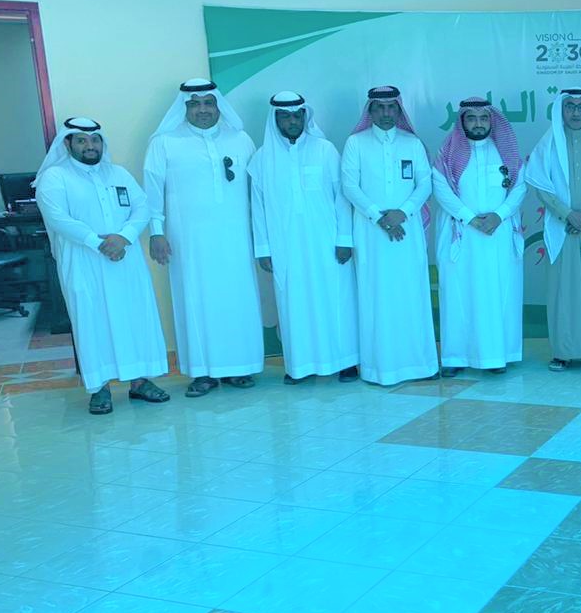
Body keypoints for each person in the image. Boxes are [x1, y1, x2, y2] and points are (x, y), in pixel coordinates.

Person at [34, 118, 169, 415]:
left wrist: (124, 237)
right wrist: (99, 243)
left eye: (94, 140)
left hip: (125, 258)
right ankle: (100, 388)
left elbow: (142, 207)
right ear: (68, 143)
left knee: (134, 316)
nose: (90, 146)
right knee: (91, 320)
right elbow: (58, 218)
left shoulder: (118, 173)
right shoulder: (55, 177)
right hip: (83, 261)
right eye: (81, 140)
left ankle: (140, 382)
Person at [143, 78, 264, 396]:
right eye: (194, 104)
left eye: (208, 103)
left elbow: (257, 193)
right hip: (188, 242)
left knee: (237, 299)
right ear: (183, 108)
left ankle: (240, 367)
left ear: (218, 105)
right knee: (194, 301)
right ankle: (202, 373)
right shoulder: (164, 143)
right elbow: (152, 194)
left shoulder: (240, 139)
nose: (202, 110)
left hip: (236, 239)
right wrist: (156, 233)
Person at [249, 92, 359, 385]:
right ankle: (299, 365)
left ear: (305, 116)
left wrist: (344, 238)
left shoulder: (325, 150)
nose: (292, 121)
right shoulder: (261, 160)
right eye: (285, 116)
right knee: (293, 303)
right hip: (285, 245)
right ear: (275, 120)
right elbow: (257, 208)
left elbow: (342, 198)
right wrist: (263, 249)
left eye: (297, 115)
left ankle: (346, 362)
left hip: (327, 243)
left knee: (336, 298)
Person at [340, 85, 439, 386]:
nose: (386, 113)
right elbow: (349, 186)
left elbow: (425, 184)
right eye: (380, 108)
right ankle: (378, 368)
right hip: (370, 232)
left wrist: (402, 212)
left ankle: (419, 365)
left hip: (407, 231)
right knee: (376, 295)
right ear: (369, 111)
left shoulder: (412, 143)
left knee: (411, 293)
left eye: (391, 107)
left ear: (399, 110)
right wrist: (380, 217)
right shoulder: (355, 143)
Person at [431, 97, 525, 376]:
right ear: (462, 121)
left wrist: (499, 215)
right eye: (471, 118)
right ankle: (456, 357)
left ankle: (497, 356)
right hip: (463, 236)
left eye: (483, 118)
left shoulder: (506, 152)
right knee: (459, 295)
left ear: (491, 120)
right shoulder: (448, 154)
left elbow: (520, 187)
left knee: (498, 294)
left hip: (499, 233)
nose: (478, 124)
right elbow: (441, 189)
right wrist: (469, 218)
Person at [524, 88, 581, 372]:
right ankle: (562, 352)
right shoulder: (549, 143)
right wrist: (568, 215)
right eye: (570, 107)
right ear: (560, 111)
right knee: (562, 290)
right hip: (560, 226)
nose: (575, 112)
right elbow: (541, 184)